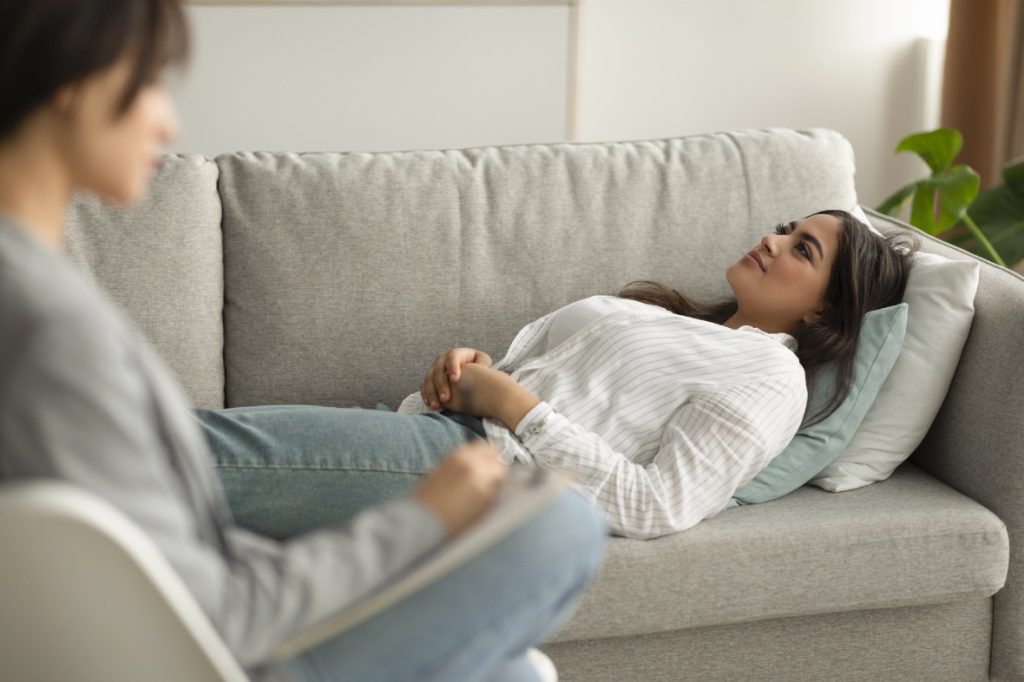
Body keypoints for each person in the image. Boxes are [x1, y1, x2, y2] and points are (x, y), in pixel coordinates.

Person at [0, 2, 607, 682]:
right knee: (563, 526)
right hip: (210, 657)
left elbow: (167, 558)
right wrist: (425, 521)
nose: (168, 121)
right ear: (73, 82)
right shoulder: (47, 325)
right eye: (149, 81)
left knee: (509, 675)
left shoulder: (34, 286)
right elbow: (217, 612)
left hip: (185, 630)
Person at [199, 209, 915, 542]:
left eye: (803, 249)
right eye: (787, 227)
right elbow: (542, 382)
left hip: (476, 471)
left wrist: (515, 404)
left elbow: (658, 505)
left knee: (192, 450)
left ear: (827, 313)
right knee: (189, 450)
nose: (772, 238)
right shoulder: (676, 321)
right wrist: (470, 370)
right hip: (429, 430)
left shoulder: (771, 377)